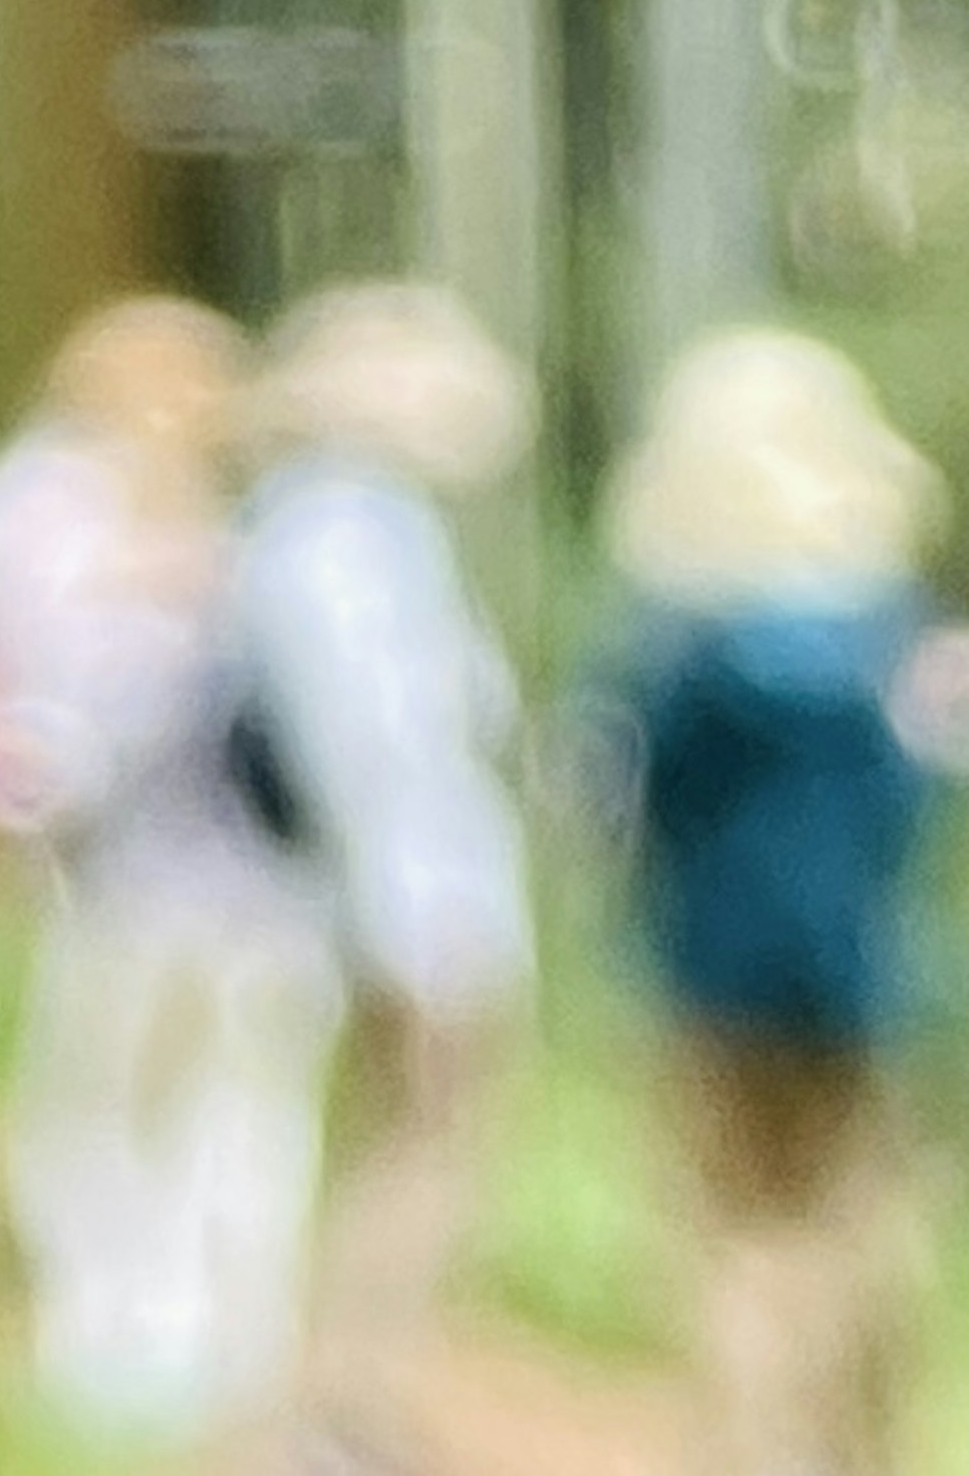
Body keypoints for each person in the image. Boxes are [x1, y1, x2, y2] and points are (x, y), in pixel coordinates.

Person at [0, 296, 344, 1440]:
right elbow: (34, 712)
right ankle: (106, 1354)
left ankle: (236, 1362)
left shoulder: (247, 516)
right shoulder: (36, 506)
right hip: (119, 877)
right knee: (108, 1105)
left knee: (243, 1113)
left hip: (254, 888)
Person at [602, 326, 969, 1476]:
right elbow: (910, 806)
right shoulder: (888, 643)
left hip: (704, 967)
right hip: (854, 966)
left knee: (729, 1245)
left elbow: (632, 808)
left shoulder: (670, 644)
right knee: (854, 1231)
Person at [230, 280, 535, 1467]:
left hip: (388, 891)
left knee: (395, 1143)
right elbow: (376, 748)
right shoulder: (344, 534)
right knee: (422, 1145)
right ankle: (343, 1408)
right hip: (417, 894)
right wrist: (425, 922)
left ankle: (349, 1397)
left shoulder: (319, 524)